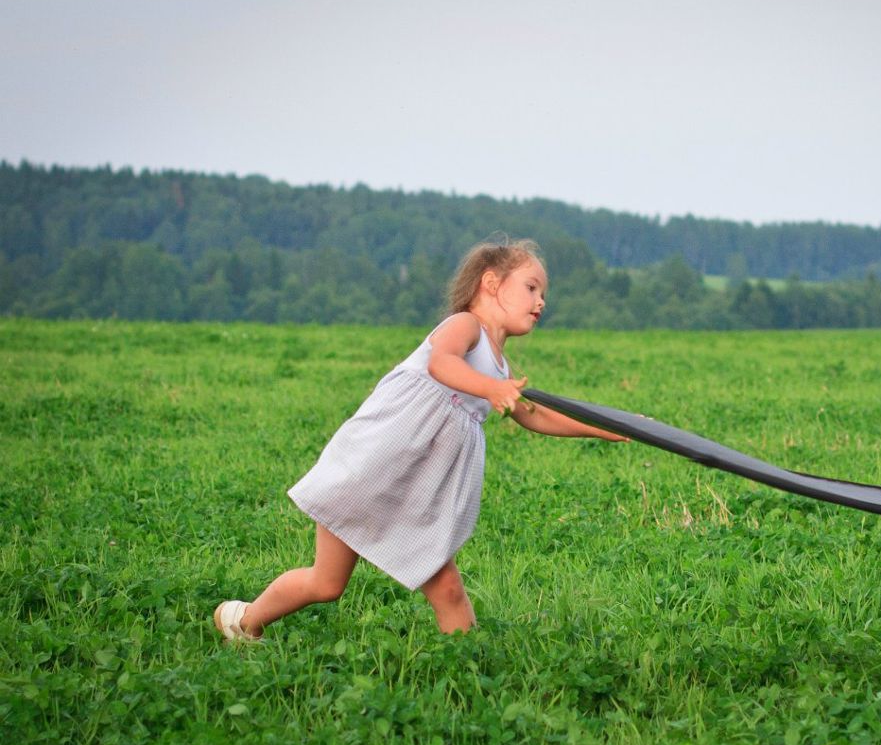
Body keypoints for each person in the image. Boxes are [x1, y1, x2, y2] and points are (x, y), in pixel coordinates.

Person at [213, 238, 626, 640]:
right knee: (327, 584)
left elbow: (536, 416)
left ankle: (467, 680)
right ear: (491, 283)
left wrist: (610, 428)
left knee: (447, 588)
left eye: (543, 295)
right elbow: (441, 363)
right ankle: (244, 621)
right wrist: (489, 389)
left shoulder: (500, 369)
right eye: (531, 288)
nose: (541, 303)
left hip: (419, 490)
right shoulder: (464, 326)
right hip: (375, 467)